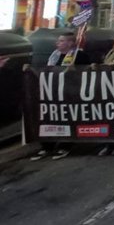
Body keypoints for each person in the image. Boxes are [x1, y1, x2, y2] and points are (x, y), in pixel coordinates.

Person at [30, 32, 89, 161]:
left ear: (70, 43)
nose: (57, 43)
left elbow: (89, 73)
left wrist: (76, 70)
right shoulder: (54, 55)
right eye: (58, 41)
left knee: (68, 118)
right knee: (49, 118)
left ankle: (65, 145)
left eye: (61, 41)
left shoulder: (79, 55)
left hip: (71, 93)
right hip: (53, 93)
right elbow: (47, 70)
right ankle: (47, 146)